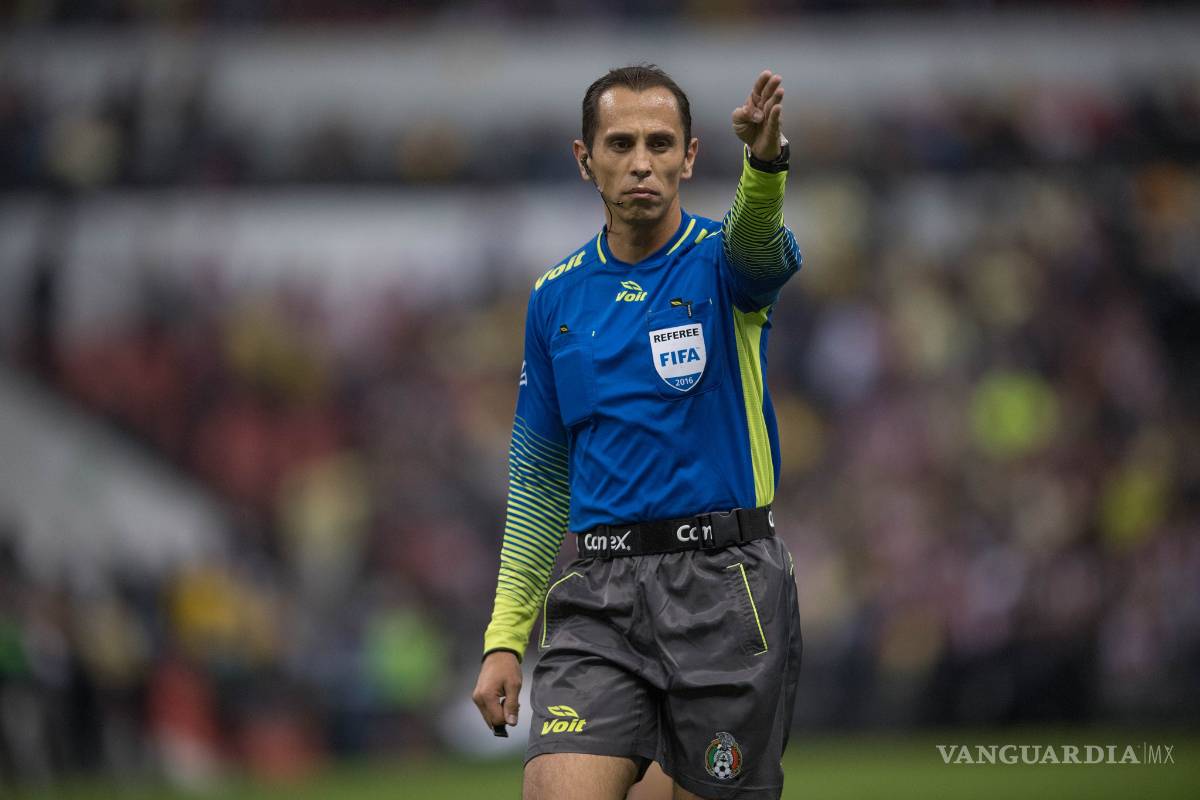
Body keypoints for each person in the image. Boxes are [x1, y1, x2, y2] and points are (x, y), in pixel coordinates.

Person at [473, 65, 803, 800]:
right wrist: (504, 638)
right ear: (585, 158)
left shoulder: (724, 264)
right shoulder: (553, 297)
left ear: (690, 156)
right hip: (598, 594)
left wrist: (765, 163)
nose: (642, 161)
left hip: (725, 587)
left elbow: (759, 246)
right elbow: (538, 482)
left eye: (661, 143)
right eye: (620, 143)